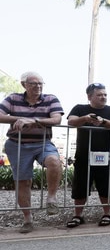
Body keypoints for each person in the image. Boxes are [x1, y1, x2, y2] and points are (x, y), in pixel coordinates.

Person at [0, 72, 64, 233]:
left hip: (43, 143)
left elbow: (57, 119)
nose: (38, 86)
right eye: (34, 83)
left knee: (54, 162)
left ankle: (51, 198)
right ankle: (27, 219)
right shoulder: (13, 98)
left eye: (41, 83)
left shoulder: (50, 99)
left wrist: (33, 120)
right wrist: (18, 119)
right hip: (17, 144)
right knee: (23, 182)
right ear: (24, 85)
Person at [67, 82, 110, 228]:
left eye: (105, 94)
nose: (103, 97)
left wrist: (103, 121)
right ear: (89, 97)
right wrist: (85, 119)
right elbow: (71, 121)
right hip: (83, 155)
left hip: (105, 155)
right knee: (80, 186)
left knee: (105, 185)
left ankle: (107, 213)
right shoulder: (80, 108)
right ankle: (78, 215)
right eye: (99, 95)